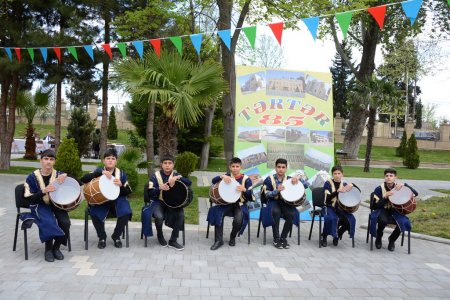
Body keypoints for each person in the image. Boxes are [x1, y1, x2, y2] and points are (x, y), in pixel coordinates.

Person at [24, 149, 70, 262]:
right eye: (46, 159)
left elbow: (78, 181)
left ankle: (56, 247)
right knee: (49, 221)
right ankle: (48, 249)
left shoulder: (58, 174)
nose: (48, 162)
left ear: (54, 161)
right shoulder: (32, 177)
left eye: (51, 159)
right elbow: (30, 199)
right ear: (41, 161)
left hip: (56, 204)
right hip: (39, 205)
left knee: (65, 222)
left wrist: (66, 175)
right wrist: (43, 191)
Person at [80, 149, 132, 249]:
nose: (110, 160)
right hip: (101, 201)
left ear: (116, 161)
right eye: (108, 158)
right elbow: (83, 179)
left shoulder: (121, 174)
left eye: (113, 158)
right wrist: (99, 173)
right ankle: (102, 237)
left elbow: (128, 191)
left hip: (117, 201)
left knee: (126, 211)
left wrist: (121, 185)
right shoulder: (98, 171)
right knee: (94, 212)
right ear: (104, 161)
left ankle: (116, 236)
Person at [143, 156, 192, 251]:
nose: (167, 165)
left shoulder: (176, 175)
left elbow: (189, 183)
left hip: (172, 203)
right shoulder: (154, 176)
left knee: (180, 215)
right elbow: (149, 193)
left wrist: (178, 178)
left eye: (170, 163)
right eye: (165, 163)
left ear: (173, 165)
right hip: (158, 202)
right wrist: (159, 188)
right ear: (161, 165)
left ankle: (173, 240)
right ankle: (160, 235)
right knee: (159, 217)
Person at [262, 158, 309, 249]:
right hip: (273, 202)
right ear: (275, 168)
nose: (281, 169)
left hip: (286, 203)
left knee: (291, 214)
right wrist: (277, 190)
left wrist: (299, 178)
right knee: (276, 212)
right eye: (279, 167)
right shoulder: (269, 179)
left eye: (283, 167)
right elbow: (267, 195)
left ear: (286, 168)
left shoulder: (290, 179)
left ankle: (283, 238)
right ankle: (276, 238)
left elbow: (306, 185)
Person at [208, 157, 253, 250]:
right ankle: (219, 240)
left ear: (241, 167)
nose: (235, 168)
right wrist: (222, 176)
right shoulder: (227, 176)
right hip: (226, 203)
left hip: (239, 204)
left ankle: (232, 237)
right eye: (233, 166)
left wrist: (244, 189)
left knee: (238, 220)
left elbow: (250, 196)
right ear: (230, 167)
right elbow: (213, 181)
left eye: (237, 166)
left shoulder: (246, 179)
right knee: (218, 213)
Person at [370, 168, 418, 251]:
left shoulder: (400, 187)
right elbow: (374, 206)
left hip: (396, 211)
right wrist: (385, 197)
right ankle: (379, 237)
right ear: (384, 177)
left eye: (391, 176)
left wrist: (405, 185)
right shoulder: (379, 189)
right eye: (387, 176)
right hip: (382, 210)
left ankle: (392, 240)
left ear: (395, 177)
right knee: (382, 220)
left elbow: (416, 193)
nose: (389, 177)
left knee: (403, 222)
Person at [321, 166, 357, 247]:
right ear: (332, 175)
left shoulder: (344, 184)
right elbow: (327, 199)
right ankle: (324, 236)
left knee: (350, 220)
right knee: (330, 218)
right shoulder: (327, 183)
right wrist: (337, 191)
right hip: (329, 207)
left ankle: (337, 235)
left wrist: (352, 185)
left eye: (339, 173)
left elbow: (357, 192)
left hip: (341, 208)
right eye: (335, 174)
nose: (337, 175)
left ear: (342, 174)